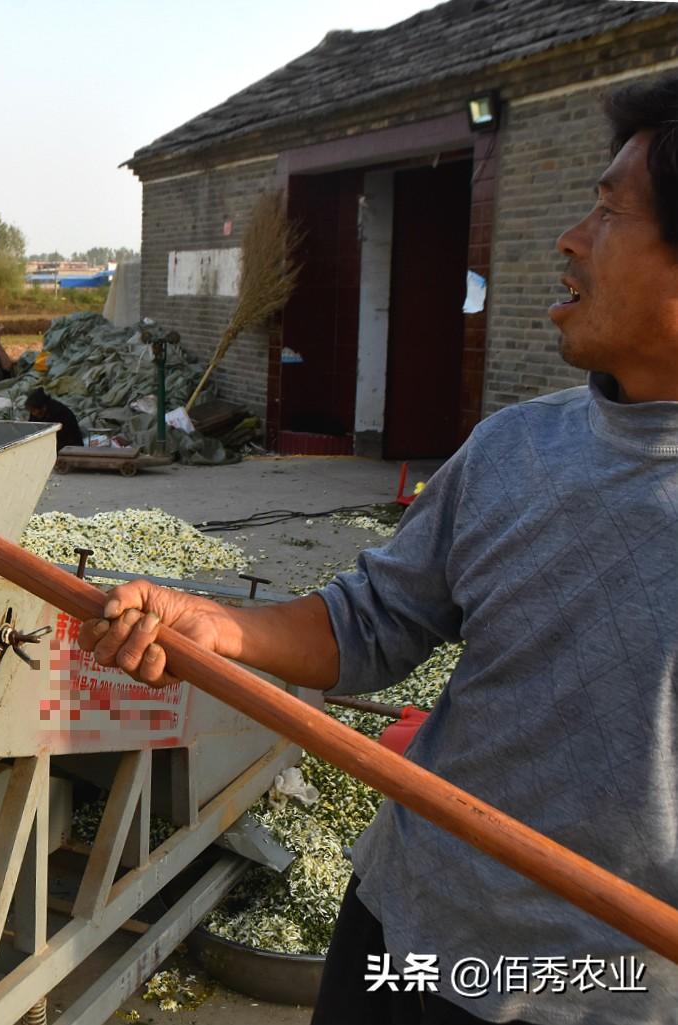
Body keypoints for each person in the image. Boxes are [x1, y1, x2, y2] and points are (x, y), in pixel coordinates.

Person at [79, 74, 678, 1025]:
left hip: (599, 993)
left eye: (608, 211)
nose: (570, 238)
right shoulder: (516, 448)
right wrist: (220, 625)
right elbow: (373, 620)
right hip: (403, 934)